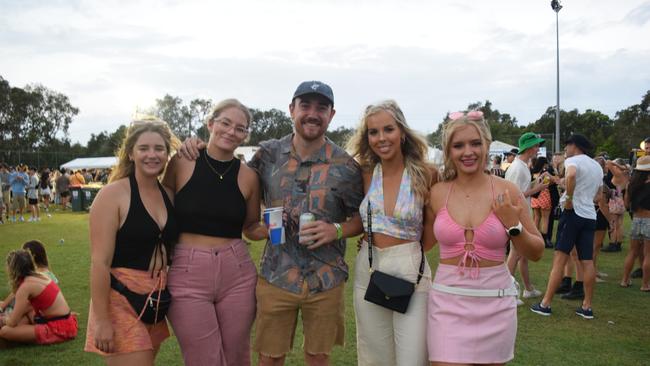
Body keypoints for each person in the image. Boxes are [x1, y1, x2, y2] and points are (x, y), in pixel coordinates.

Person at [248, 81, 363, 366]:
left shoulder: (346, 166)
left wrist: (335, 229)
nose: (313, 114)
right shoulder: (267, 155)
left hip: (326, 278)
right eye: (305, 106)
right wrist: (199, 148)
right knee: (270, 358)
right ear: (291, 110)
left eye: (321, 108)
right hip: (277, 274)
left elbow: (362, 219)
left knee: (318, 357)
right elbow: (234, 184)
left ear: (332, 115)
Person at [427, 111, 544, 365]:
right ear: (448, 150)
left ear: (487, 145)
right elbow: (420, 243)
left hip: (496, 303)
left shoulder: (507, 190)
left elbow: (536, 252)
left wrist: (513, 225)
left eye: (475, 143)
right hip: (447, 304)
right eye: (458, 145)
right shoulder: (437, 193)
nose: (467, 152)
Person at [162, 99, 265, 366]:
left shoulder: (248, 177)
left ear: (246, 135)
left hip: (238, 272)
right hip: (188, 270)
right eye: (225, 123)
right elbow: (159, 210)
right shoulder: (182, 162)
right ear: (210, 123)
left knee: (237, 356)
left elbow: (250, 227)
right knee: (202, 358)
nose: (231, 132)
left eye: (240, 128)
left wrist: (272, 228)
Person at [346, 100, 436, 366]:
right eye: (373, 132)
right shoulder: (364, 174)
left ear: (402, 132)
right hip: (369, 267)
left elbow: (431, 227)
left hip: (411, 267)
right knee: (375, 357)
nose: (381, 138)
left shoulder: (426, 173)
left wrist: (408, 253)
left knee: (413, 357)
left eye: (388, 129)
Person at [85, 119, 180, 364]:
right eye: (144, 148)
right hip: (121, 300)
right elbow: (99, 263)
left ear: (167, 153)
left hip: (156, 299)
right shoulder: (112, 195)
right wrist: (103, 320)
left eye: (159, 149)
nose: (152, 155)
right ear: (130, 153)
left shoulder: (167, 194)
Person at [531, 134, 602, 319]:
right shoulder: (596, 165)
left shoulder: (573, 161)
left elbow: (570, 176)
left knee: (559, 259)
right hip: (589, 215)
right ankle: (587, 307)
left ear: (574, 146)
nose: (565, 150)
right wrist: (559, 182)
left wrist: (569, 199)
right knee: (587, 261)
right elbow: (598, 194)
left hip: (572, 214)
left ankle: (545, 303)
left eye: (566, 146)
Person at [504, 132, 548, 303]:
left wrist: (536, 185)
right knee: (516, 253)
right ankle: (507, 292)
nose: (538, 149)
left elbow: (521, 190)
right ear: (529, 148)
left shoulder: (521, 165)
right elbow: (515, 195)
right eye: (536, 146)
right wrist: (536, 189)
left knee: (522, 254)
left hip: (522, 213)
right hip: (518, 214)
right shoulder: (517, 167)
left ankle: (528, 289)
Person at [0, 249, 77, 345]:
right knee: (24, 316)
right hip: (66, 323)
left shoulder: (25, 287)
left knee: (5, 331)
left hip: (58, 329)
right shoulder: (40, 276)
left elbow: (12, 322)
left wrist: (4, 319)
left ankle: (18, 339)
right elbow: (27, 307)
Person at [0, 240, 59, 315]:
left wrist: (4, 307)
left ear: (32, 257)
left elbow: (26, 304)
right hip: (22, 309)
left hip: (21, 311)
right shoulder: (47, 274)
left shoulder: (35, 277)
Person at [620, 155, 650, 290]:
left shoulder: (631, 184)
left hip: (636, 220)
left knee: (632, 252)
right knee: (648, 254)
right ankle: (645, 284)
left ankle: (625, 280)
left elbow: (626, 204)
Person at [601, 158, 630, 252]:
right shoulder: (626, 174)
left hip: (615, 200)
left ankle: (613, 243)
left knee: (612, 222)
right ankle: (618, 244)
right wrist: (621, 166)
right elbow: (627, 167)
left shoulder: (617, 174)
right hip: (621, 198)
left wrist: (614, 164)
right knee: (619, 224)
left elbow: (608, 162)